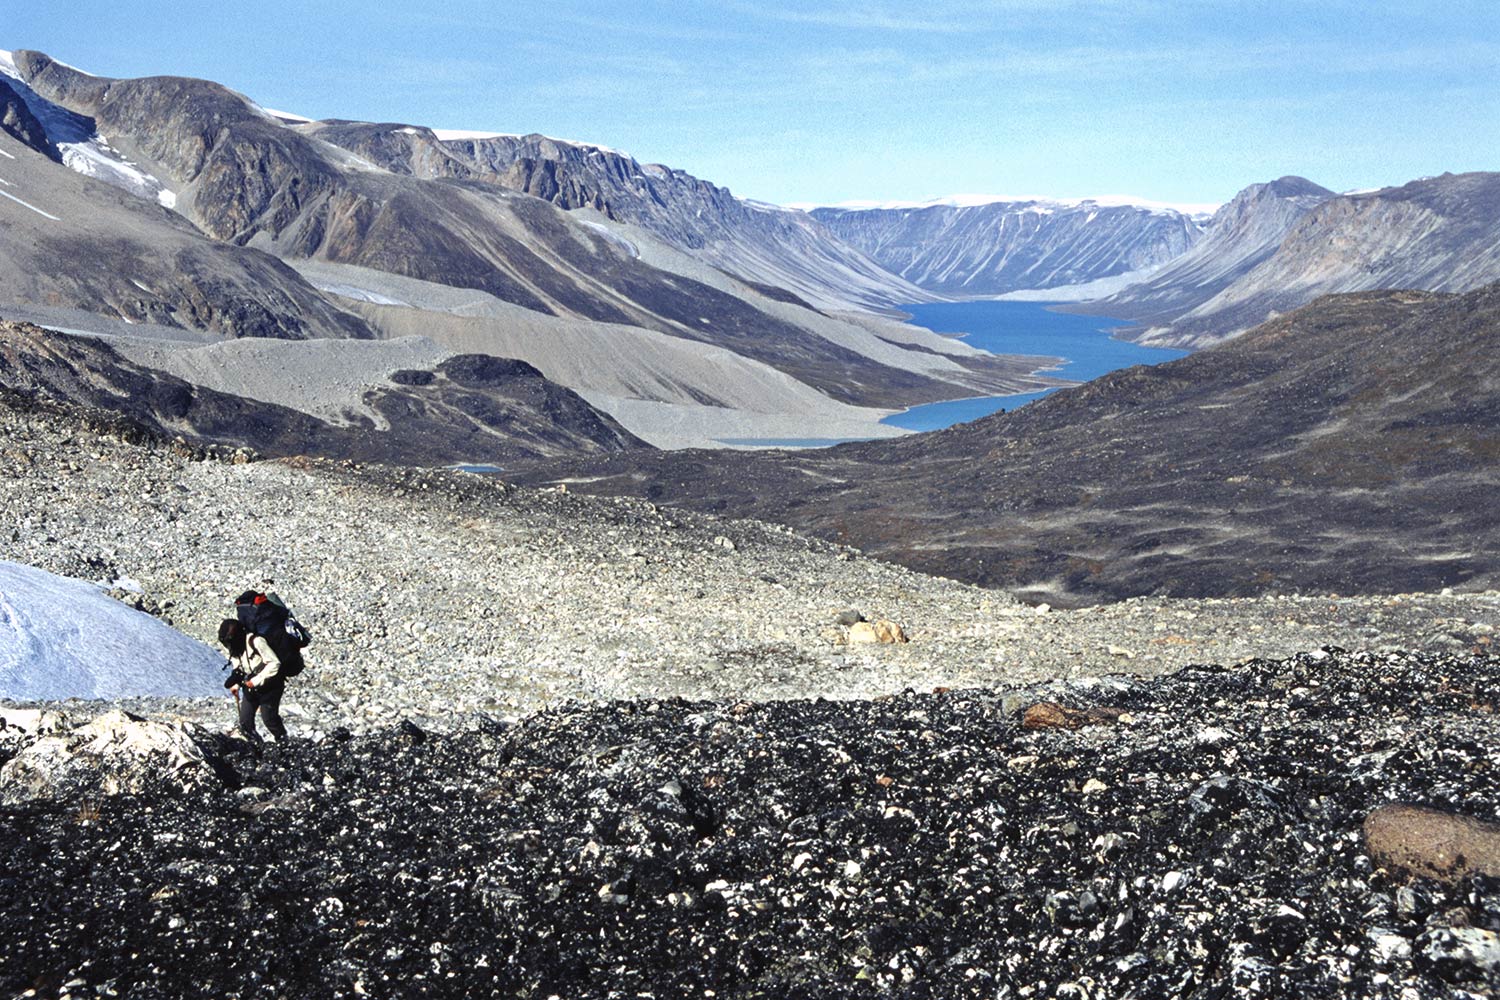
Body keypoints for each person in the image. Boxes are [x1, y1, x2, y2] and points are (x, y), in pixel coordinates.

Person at [218, 617, 289, 744]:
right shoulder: (236, 648)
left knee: (269, 719)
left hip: (271, 685)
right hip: (251, 687)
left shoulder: (256, 641)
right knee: (245, 721)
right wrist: (236, 685)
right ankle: (255, 746)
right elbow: (239, 667)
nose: (228, 646)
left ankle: (284, 743)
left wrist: (255, 680)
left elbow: (274, 663)